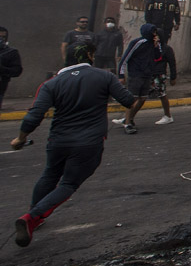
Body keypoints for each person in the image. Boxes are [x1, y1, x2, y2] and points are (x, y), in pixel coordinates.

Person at [10, 43, 136, 246]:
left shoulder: (52, 83)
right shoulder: (104, 77)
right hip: (88, 143)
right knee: (68, 183)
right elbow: (128, 101)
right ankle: (31, 218)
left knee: (50, 174)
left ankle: (34, 212)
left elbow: (34, 115)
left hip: (58, 140)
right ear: (89, 55)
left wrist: (21, 138)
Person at [114, 23, 163, 134]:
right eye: (153, 32)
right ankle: (127, 123)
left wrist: (157, 46)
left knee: (142, 99)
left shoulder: (154, 44)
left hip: (147, 74)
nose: (155, 34)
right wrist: (121, 75)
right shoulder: (138, 43)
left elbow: (158, 57)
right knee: (133, 99)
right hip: (136, 74)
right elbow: (125, 58)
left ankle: (130, 118)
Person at [150, 43, 177, 125]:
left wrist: (173, 77)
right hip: (149, 74)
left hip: (159, 74)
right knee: (139, 96)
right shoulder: (148, 47)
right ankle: (129, 117)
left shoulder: (166, 49)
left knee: (162, 94)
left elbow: (172, 63)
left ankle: (168, 115)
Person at [0, 26, 23, 110]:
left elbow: (17, 71)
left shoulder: (11, 52)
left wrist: (2, 69)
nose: (1, 39)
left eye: (3, 37)